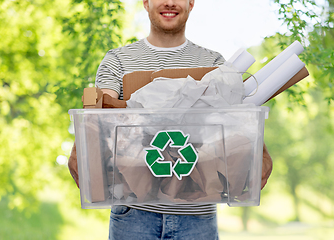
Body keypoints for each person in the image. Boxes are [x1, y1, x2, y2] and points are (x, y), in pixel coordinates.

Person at [68, 0, 273, 239]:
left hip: (198, 214)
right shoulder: (118, 61)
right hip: (134, 213)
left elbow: (234, 123)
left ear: (191, 3)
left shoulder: (215, 65)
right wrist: (81, 151)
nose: (169, 3)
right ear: (146, 2)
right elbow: (100, 115)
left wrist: (258, 152)